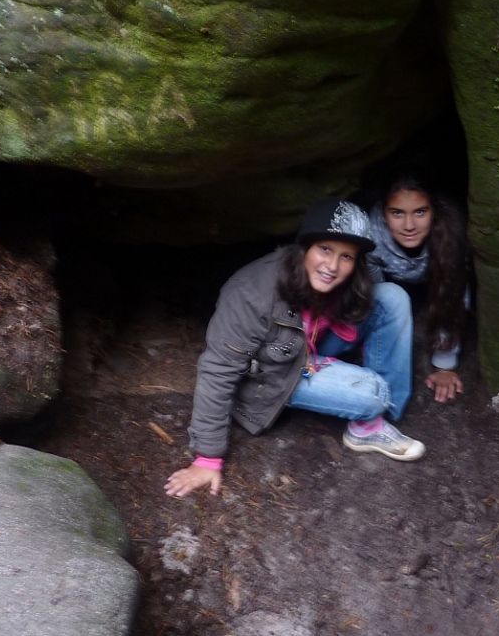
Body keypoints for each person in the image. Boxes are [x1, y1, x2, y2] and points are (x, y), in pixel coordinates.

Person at [165, 199, 424, 498]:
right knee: (373, 392)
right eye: (325, 249)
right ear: (304, 247)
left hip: (310, 345)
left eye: (346, 256)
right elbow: (217, 370)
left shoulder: (348, 279)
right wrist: (207, 459)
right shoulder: (251, 293)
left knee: (392, 297)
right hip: (271, 374)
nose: (332, 266)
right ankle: (369, 416)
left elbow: (368, 309)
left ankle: (381, 414)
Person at [367, 174, 470, 404]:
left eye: (420, 212)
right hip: (392, 282)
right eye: (397, 213)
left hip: (434, 274)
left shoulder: (452, 232)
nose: (409, 225)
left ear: (434, 212)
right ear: (383, 214)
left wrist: (445, 364)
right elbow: (375, 299)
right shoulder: (371, 236)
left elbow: (453, 293)